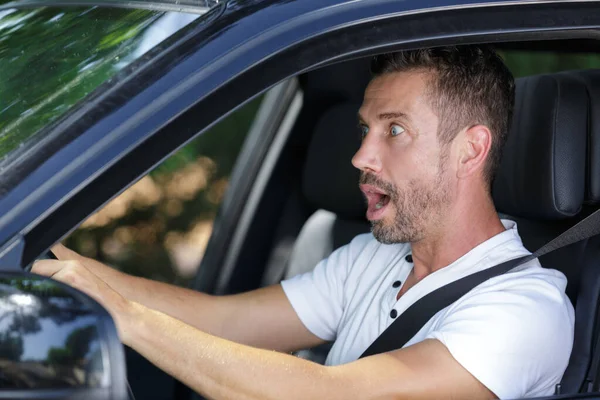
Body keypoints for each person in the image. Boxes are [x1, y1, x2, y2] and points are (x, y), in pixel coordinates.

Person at [32, 45, 574, 400]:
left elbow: (325, 396)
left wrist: (126, 318)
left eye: (395, 131)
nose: (361, 156)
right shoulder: (373, 257)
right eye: (365, 130)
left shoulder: (524, 310)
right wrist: (51, 262)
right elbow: (222, 324)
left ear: (470, 149)